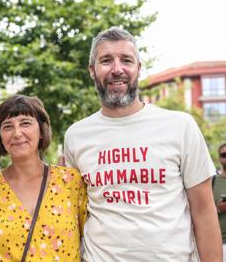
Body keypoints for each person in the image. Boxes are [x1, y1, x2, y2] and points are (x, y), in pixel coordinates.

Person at [64, 27, 222, 261]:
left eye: (126, 60)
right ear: (92, 70)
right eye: (106, 60)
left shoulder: (180, 126)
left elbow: (204, 212)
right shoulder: (76, 135)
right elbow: (76, 213)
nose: (117, 69)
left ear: (138, 68)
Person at [0, 95, 87, 261]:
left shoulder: (71, 182)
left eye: (25, 123)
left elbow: (91, 237)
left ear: (41, 130)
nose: (17, 133)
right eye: (7, 126)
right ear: (0, 136)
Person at [213, 143, 226, 261]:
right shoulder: (211, 181)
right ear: (219, 158)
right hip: (219, 244)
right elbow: (200, 211)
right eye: (224, 155)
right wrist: (218, 209)